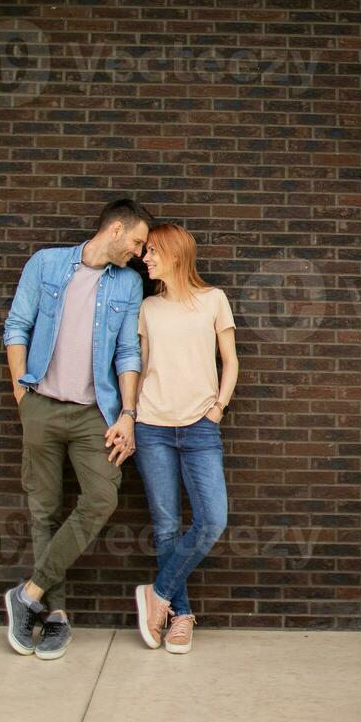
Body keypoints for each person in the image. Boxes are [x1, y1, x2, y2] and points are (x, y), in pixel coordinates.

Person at [2, 198, 154, 660]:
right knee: (44, 510)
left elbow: (128, 351)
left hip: (94, 414)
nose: (139, 252)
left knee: (102, 496)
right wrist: (21, 395)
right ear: (115, 229)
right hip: (41, 406)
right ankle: (56, 616)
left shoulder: (128, 283)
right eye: (137, 241)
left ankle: (27, 593)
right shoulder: (46, 263)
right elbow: (17, 326)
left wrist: (127, 414)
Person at [131, 223, 239, 654]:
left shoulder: (214, 301)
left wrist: (217, 408)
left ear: (176, 254)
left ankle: (156, 594)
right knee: (166, 528)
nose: (145, 258)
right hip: (152, 426)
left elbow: (230, 362)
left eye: (153, 251)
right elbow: (138, 366)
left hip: (200, 426)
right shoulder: (148, 308)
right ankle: (181, 615)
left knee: (212, 520)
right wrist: (131, 414)